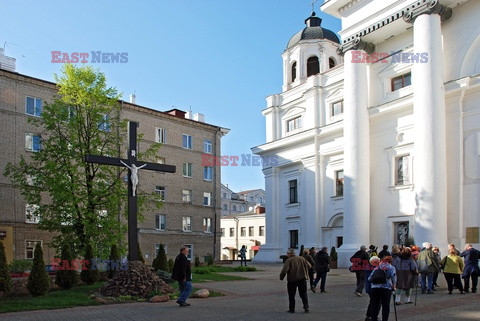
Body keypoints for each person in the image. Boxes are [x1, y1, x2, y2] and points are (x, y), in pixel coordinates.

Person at [279, 248, 311, 313]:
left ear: (289, 254)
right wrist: (304, 270)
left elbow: (284, 270)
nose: (287, 255)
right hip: (302, 278)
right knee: (303, 293)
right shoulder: (302, 258)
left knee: (291, 295)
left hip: (292, 279)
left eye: (287, 254)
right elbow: (309, 266)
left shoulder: (289, 260)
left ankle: (292, 309)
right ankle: (306, 307)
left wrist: (281, 277)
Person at [367, 256, 396, 321]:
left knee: (374, 305)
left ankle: (373, 319)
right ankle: (385, 319)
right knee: (385, 306)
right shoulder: (391, 267)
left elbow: (369, 278)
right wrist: (394, 286)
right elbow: (394, 278)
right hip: (386, 288)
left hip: (375, 288)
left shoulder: (377, 267)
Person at [365, 256, 381, 321]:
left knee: (372, 301)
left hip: (369, 288)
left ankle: (368, 315)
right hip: (374, 288)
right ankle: (374, 316)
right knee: (377, 302)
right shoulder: (375, 269)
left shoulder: (368, 267)